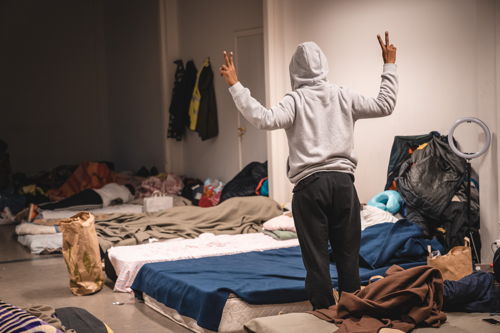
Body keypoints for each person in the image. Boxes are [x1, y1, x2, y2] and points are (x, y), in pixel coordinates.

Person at [220, 31, 398, 309]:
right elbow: (385, 104)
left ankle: (323, 312)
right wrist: (389, 64)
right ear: (324, 67)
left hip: (310, 187)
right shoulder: (343, 95)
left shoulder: (295, 100)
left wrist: (235, 84)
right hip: (342, 184)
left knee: (316, 259)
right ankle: (353, 309)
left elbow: (263, 119)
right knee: (348, 255)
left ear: (295, 71)